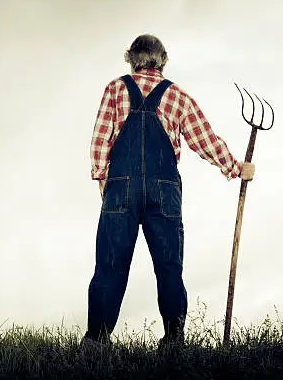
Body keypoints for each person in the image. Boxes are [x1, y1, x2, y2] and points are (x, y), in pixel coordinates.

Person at [82, 34, 255, 350]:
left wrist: (103, 179)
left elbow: (99, 140)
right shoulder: (177, 96)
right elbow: (204, 139)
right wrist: (236, 167)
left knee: (110, 264)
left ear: (131, 58)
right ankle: (174, 340)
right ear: (162, 60)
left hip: (121, 188)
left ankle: (96, 341)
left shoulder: (115, 89)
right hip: (164, 191)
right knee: (169, 266)